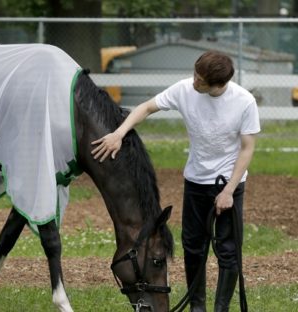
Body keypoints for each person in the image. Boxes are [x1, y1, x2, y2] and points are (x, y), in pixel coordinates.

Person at [91, 50, 260, 312]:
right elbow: (147, 107)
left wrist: (228, 191)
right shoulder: (185, 89)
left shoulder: (244, 102)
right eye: (195, 74)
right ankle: (198, 308)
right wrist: (119, 133)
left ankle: (221, 309)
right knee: (193, 248)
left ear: (218, 85)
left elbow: (247, 148)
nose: (194, 81)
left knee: (228, 253)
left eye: (200, 80)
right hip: (195, 181)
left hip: (229, 185)